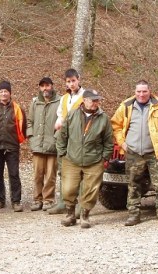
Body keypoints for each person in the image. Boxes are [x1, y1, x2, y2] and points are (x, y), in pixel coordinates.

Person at [111, 79, 158, 226]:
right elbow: (116, 125)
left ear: (150, 91)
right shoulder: (126, 107)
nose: (141, 94)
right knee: (133, 184)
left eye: (144, 91)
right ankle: (133, 215)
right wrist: (122, 142)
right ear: (134, 92)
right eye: (138, 91)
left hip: (155, 153)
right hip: (133, 152)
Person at [57, 89, 113, 228]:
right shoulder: (72, 114)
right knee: (68, 189)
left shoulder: (103, 118)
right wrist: (62, 153)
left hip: (94, 160)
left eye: (97, 100)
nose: (96, 103)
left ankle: (85, 215)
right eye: (93, 100)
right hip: (71, 159)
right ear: (84, 100)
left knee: (90, 190)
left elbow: (108, 141)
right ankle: (70, 215)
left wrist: (104, 157)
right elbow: (62, 135)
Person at [0, 80, 26, 212]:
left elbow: (23, 127)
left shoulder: (17, 108)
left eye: (5, 91)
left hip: (12, 146)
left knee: (14, 174)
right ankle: (0, 200)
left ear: (10, 93)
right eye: (1, 91)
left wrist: (18, 141)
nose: (3, 94)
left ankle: (16, 201)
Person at [48, 68, 85, 215]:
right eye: (68, 82)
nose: (71, 84)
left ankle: (80, 205)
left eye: (73, 81)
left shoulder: (86, 96)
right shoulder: (64, 98)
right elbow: (60, 115)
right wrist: (58, 124)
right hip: (64, 138)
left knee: (80, 171)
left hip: (79, 138)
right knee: (63, 170)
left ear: (79, 79)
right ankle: (64, 202)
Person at [27, 77, 61, 211]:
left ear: (52, 86)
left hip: (52, 145)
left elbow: (63, 122)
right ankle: (37, 200)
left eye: (47, 85)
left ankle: (48, 200)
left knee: (51, 175)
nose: (45, 88)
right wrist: (31, 137)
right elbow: (30, 121)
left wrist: (56, 138)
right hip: (37, 146)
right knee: (37, 174)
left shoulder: (59, 101)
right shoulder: (35, 103)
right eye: (42, 86)